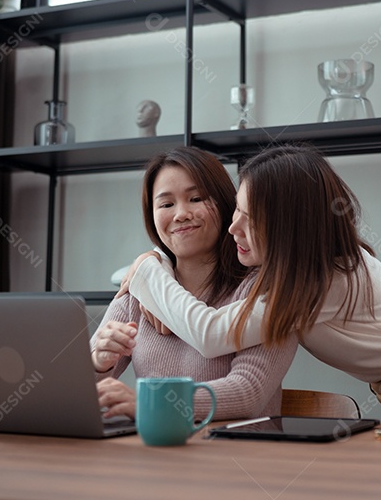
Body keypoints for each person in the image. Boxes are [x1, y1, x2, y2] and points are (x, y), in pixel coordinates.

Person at [122, 144, 381, 426]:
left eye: (250, 218)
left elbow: (211, 333)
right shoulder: (295, 269)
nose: (232, 228)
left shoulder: (322, 276)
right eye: (236, 212)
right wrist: (152, 265)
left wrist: (149, 270)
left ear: (288, 224)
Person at [91, 146, 295, 421]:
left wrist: (150, 402)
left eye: (196, 198)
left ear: (227, 206)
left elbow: (248, 393)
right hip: (155, 452)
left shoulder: (265, 288)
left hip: (238, 455)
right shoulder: (138, 290)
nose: (181, 214)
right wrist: (98, 363)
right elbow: (71, 392)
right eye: (166, 204)